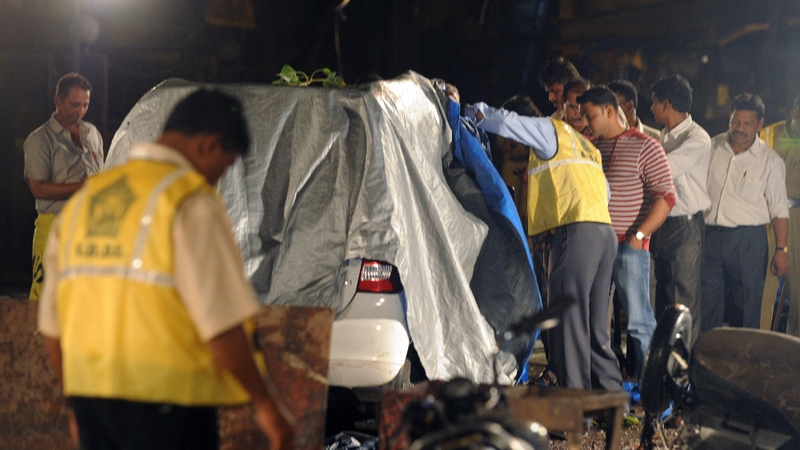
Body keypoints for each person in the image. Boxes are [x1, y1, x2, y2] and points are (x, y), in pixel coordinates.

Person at [37, 89, 293, 449]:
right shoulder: (190, 202)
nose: (219, 179)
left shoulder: (85, 202)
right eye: (226, 165)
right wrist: (266, 405)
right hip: (169, 411)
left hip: (92, 404)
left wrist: (75, 406)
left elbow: (53, 325)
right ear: (208, 145)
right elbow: (220, 321)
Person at [464, 101, 623, 391]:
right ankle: (610, 397)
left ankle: (575, 404)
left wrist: (472, 111)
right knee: (597, 324)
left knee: (568, 319)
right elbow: (606, 192)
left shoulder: (551, 130)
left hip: (577, 231)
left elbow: (506, 121)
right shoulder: (588, 148)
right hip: (604, 231)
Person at [578, 86, 676, 382]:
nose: (585, 121)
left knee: (638, 322)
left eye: (590, 115)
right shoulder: (591, 147)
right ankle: (602, 385)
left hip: (628, 248)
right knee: (595, 322)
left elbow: (667, 197)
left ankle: (654, 391)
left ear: (610, 111)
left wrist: (639, 235)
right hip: (595, 247)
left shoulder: (646, 145)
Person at [702, 93, 789, 331]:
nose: (739, 128)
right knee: (707, 305)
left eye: (747, 123)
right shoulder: (712, 147)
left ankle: (741, 363)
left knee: (746, 307)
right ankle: (707, 361)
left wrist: (781, 249)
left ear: (760, 124)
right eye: (735, 121)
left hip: (748, 242)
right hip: (710, 237)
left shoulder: (770, 161)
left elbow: (779, 208)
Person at [24, 73, 104, 299]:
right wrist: (83, 186)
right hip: (54, 226)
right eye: (74, 104)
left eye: (86, 105)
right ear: (58, 101)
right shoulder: (40, 139)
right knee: (47, 294)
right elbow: (38, 189)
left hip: (89, 226)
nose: (80, 111)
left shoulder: (92, 133)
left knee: (84, 294)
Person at [648, 74, 711, 339]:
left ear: (666, 104)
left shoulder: (697, 139)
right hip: (661, 225)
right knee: (662, 298)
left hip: (685, 227)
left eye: (654, 103)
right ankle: (664, 368)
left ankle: (683, 371)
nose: (651, 108)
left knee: (683, 301)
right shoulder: (664, 135)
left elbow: (663, 169)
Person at [760, 94, 800, 336]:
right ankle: (755, 352)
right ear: (794, 113)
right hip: (769, 218)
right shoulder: (767, 136)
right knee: (763, 292)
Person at [538, 56, 580, 121]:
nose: (551, 98)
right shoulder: (555, 119)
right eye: (549, 92)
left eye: (556, 91)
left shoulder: (592, 120)